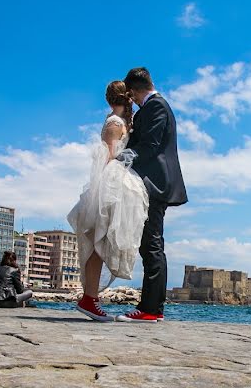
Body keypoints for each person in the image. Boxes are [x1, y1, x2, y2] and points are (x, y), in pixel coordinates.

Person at [67, 81, 149, 322]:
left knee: (103, 241)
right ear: (128, 98)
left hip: (115, 183)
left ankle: (90, 298)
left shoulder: (118, 121)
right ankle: (89, 299)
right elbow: (109, 155)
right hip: (112, 183)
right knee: (101, 241)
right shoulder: (115, 123)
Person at [116, 67, 188, 323]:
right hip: (155, 183)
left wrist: (120, 159)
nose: (132, 100)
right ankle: (153, 309)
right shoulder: (157, 106)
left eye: (132, 95)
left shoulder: (156, 106)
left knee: (152, 245)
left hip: (155, 184)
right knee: (152, 244)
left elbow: (150, 145)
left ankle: (149, 309)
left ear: (135, 90)